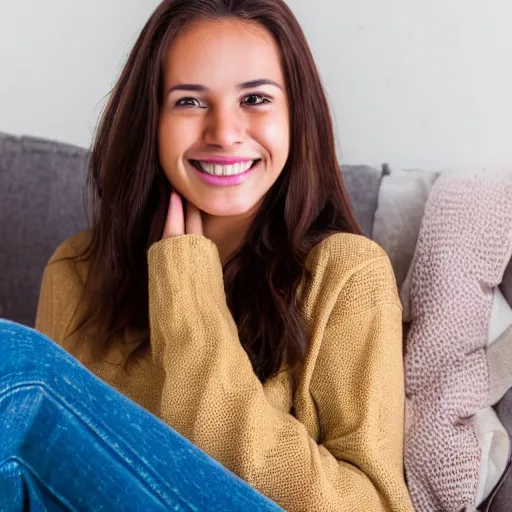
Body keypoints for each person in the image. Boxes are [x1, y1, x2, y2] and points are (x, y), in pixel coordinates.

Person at [15, 0, 413, 510]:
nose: (224, 133)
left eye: (255, 98)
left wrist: (190, 304)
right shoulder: (78, 272)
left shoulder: (347, 276)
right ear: (151, 120)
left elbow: (375, 505)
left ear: (296, 116)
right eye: (189, 102)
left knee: (16, 365)